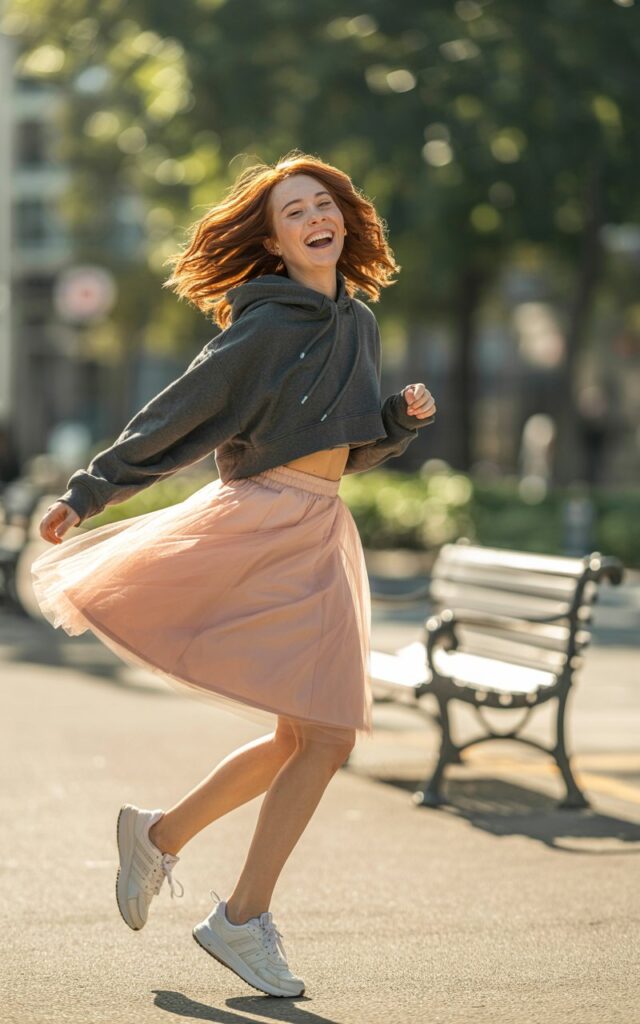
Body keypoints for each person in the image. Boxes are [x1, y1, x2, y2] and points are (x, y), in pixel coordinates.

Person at [31, 151, 437, 999]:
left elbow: (348, 448)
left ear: (346, 219)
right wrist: (93, 490)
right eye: (293, 212)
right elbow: (183, 410)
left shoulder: (357, 321)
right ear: (275, 241)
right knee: (324, 738)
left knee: (310, 737)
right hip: (262, 522)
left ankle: (160, 838)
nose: (314, 217)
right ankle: (241, 918)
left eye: (322, 203)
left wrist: (396, 421)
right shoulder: (263, 324)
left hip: (322, 526)